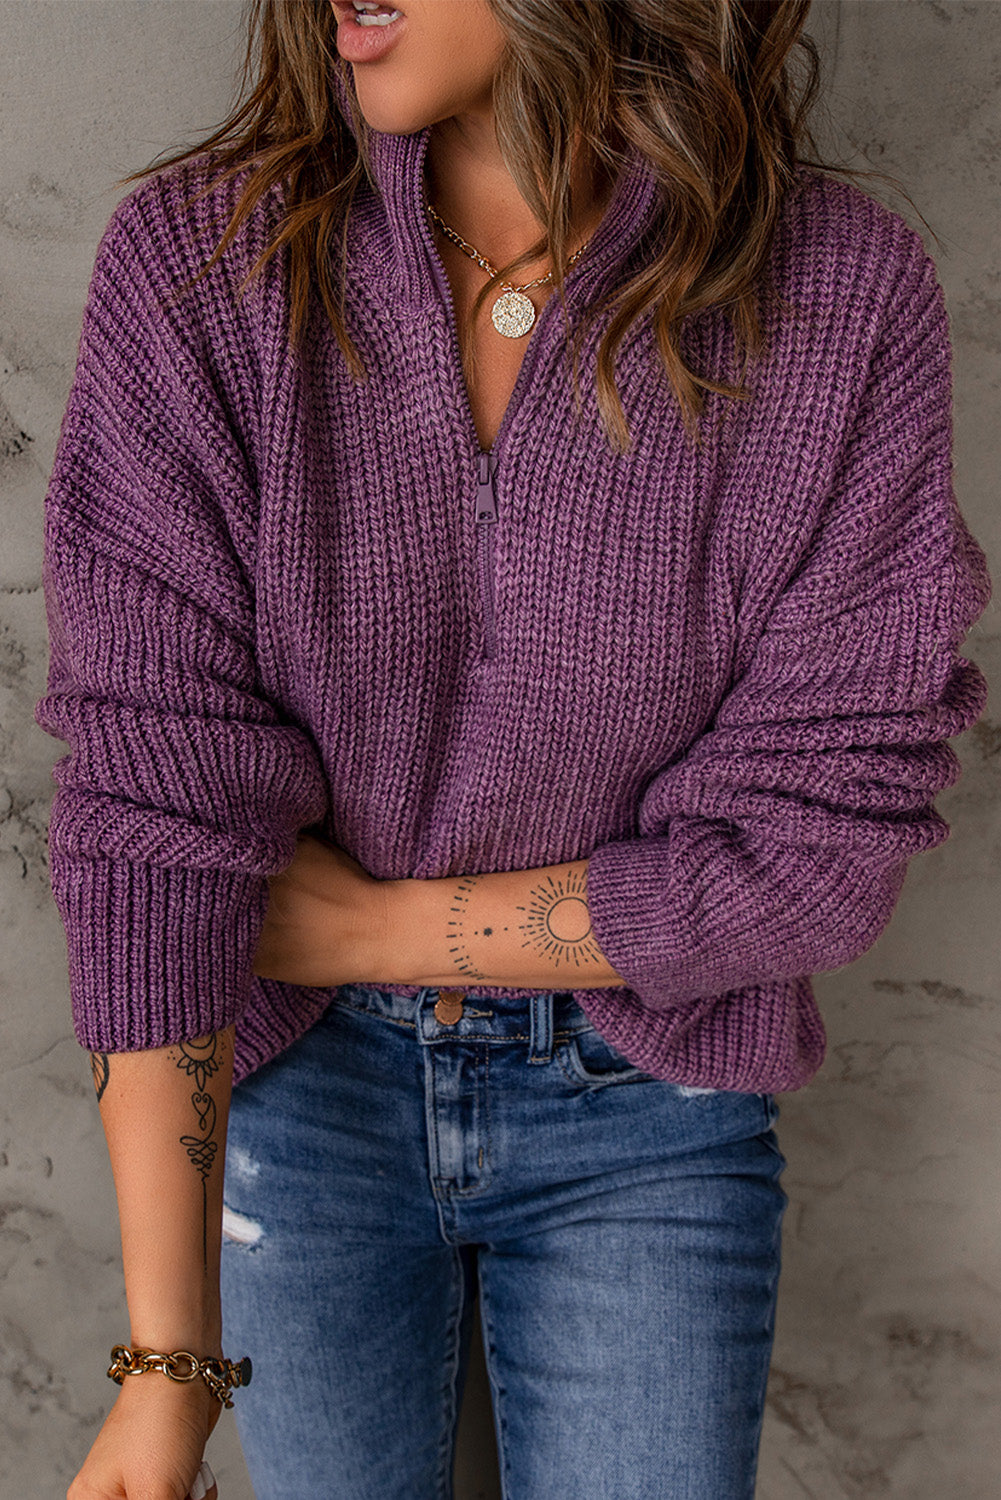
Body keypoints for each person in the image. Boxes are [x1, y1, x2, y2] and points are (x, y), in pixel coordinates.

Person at [35, 2, 991, 1497]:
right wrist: (166, 1372)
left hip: (651, 1097)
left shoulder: (835, 290)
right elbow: (150, 824)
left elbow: (818, 841)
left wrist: (381, 928)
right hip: (299, 1091)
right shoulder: (200, 268)